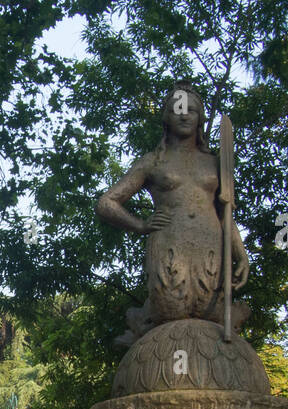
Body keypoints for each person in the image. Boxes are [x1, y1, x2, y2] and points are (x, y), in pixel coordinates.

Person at [97, 81, 249, 345]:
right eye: (178, 109)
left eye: (191, 110)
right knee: (172, 315)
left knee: (208, 313)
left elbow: (226, 211)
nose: (184, 114)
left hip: (210, 249)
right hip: (170, 247)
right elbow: (107, 203)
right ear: (166, 117)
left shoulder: (214, 163)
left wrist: (241, 254)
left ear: (200, 117)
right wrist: (140, 225)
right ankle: (145, 321)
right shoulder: (154, 161)